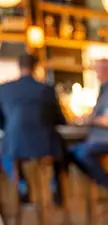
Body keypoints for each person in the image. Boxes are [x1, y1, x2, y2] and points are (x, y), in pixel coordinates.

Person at [0, 53, 67, 202]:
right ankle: (54, 182)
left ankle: (22, 183)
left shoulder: (3, 89)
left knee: (4, 153)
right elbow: (60, 119)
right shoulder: (46, 89)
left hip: (15, 145)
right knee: (62, 149)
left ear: (19, 66)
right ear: (36, 67)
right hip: (46, 146)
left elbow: (1, 122)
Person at [66, 59, 108, 191]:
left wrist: (89, 120)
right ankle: (103, 186)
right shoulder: (104, 90)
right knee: (71, 152)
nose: (96, 73)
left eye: (98, 69)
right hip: (101, 140)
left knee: (82, 153)